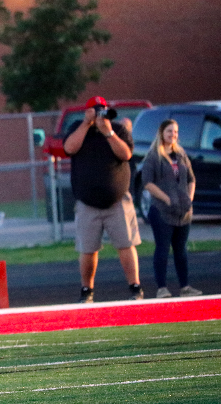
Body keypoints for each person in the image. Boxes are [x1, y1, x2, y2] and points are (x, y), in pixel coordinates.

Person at [63, 95, 143, 303]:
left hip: (117, 200)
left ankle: (135, 287)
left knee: (126, 244)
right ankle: (87, 290)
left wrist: (108, 131)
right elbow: (69, 148)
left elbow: (126, 154)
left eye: (103, 109)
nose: (100, 113)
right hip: (87, 202)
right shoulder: (77, 128)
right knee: (88, 250)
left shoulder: (117, 129)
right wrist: (86, 123)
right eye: (96, 110)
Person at [141, 119, 202, 298]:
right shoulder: (154, 156)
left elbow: (191, 179)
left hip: (183, 211)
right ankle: (162, 288)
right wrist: (166, 198)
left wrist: (189, 199)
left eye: (175, 132)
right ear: (161, 133)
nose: (173, 135)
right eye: (169, 131)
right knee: (162, 248)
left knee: (181, 249)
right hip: (162, 210)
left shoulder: (181, 155)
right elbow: (147, 182)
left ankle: (185, 286)